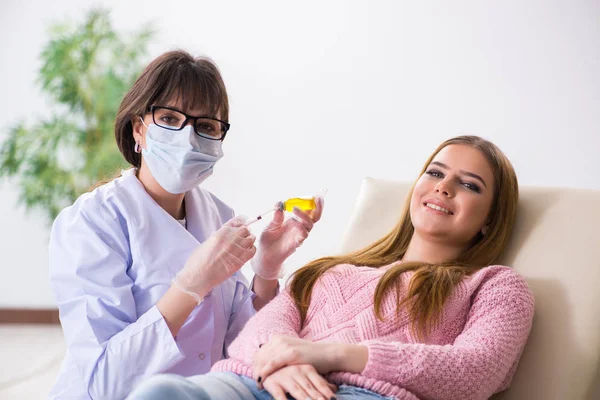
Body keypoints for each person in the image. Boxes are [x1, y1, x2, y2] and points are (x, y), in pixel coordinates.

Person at [127, 135, 535, 400]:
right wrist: (282, 364)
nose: (444, 186)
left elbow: (476, 371)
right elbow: (261, 330)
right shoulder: (331, 271)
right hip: (258, 382)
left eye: (469, 184)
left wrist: (328, 354)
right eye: (435, 172)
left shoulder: (495, 286)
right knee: (158, 393)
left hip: (365, 395)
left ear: (489, 219)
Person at [47, 50, 323, 400]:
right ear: (139, 129)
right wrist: (191, 286)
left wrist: (266, 274)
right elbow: (105, 382)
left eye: (206, 126)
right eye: (170, 118)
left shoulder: (218, 215)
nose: (188, 137)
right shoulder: (90, 222)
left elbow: (242, 345)